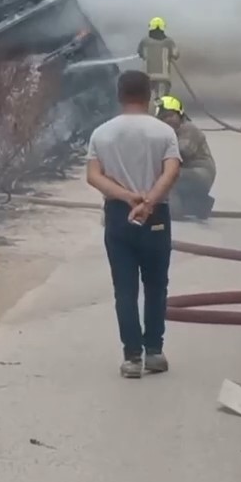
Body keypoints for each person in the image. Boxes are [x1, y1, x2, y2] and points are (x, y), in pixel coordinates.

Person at [86, 71, 181, 379]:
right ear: (149, 95)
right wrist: (149, 201)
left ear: (119, 95)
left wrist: (128, 198)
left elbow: (94, 176)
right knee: (156, 286)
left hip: (118, 215)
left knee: (124, 289)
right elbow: (171, 171)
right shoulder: (164, 132)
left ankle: (131, 357)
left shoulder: (102, 133)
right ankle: (154, 351)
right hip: (156, 216)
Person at [156, 95, 216, 220]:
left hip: (200, 173)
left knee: (167, 177)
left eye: (171, 115)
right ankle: (199, 206)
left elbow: (181, 153)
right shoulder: (168, 134)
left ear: (180, 115)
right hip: (189, 173)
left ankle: (174, 211)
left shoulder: (188, 129)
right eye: (164, 118)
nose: (168, 120)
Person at [137, 17, 179, 98]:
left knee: (145, 99)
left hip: (147, 77)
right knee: (162, 101)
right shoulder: (168, 42)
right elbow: (176, 55)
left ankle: (146, 110)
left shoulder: (144, 41)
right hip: (163, 78)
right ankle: (159, 110)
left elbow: (140, 53)